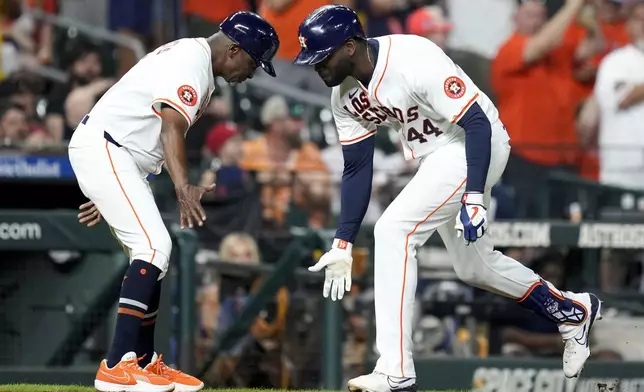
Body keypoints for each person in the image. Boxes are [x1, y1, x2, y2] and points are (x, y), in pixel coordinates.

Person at [294, 6, 602, 392]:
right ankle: (572, 312)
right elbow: (356, 168)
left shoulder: (411, 57)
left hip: (475, 142)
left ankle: (395, 369)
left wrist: (474, 196)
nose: (317, 66)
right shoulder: (344, 97)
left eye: (323, 56)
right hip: (436, 158)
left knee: (394, 231)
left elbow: (475, 123)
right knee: (474, 268)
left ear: (351, 46)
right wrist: (342, 241)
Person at [69, 10, 279, 392]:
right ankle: (116, 364)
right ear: (234, 50)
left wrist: (111, 192)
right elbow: (170, 127)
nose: (252, 73)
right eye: (253, 62)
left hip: (118, 156)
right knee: (154, 247)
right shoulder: (191, 63)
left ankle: (145, 363)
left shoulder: (194, 59)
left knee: (153, 256)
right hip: (107, 149)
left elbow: (146, 129)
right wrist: (183, 188)